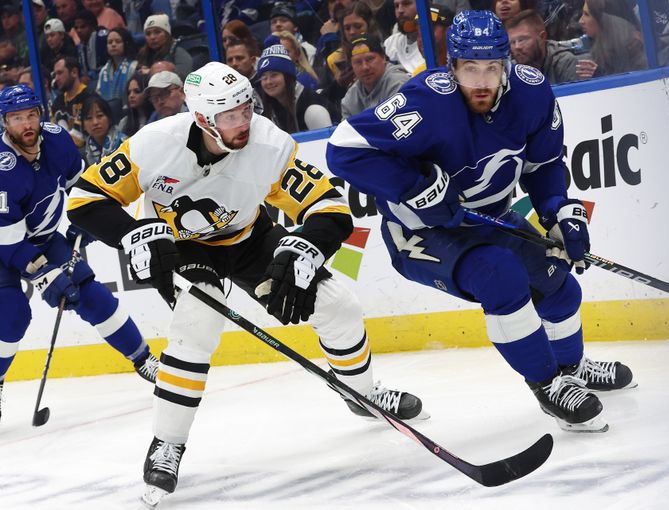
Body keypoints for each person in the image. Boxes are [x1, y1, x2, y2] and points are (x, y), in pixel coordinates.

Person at [66, 62, 425, 507]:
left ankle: (363, 393)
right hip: (181, 246)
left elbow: (328, 207)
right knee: (196, 323)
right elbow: (84, 199)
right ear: (202, 119)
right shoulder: (153, 145)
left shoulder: (269, 143)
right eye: (231, 116)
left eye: (246, 109)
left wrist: (304, 248)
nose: (244, 122)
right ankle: (168, 442)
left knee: (338, 303)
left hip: (249, 236)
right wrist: (132, 235)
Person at [327, 11, 636, 434]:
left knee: (559, 283)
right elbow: (343, 147)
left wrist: (558, 211)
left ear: (506, 64)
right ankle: (549, 386)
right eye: (470, 68)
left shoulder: (531, 93)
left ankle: (573, 367)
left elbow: (545, 164)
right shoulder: (427, 101)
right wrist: (415, 186)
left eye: (492, 67)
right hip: (420, 231)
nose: (482, 81)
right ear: (452, 66)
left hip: (488, 218)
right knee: (500, 274)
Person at [0, 85, 158, 422]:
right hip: (4, 248)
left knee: (92, 296)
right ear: (5, 123)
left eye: (31, 115)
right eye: (17, 118)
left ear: (40, 115)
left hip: (43, 238)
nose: (26, 124)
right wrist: (46, 275)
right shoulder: (2, 169)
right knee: (12, 317)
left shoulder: (57, 141)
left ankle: (144, 359)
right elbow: (11, 245)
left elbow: (83, 186)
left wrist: (86, 216)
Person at [256, 39, 337, 132]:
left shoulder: (313, 110)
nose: (268, 81)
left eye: (274, 75)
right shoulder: (274, 107)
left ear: (288, 77)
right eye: (264, 77)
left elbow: (325, 144)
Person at [341, 33, 409, 118]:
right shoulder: (350, 97)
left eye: (370, 59)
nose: (365, 67)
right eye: (358, 62)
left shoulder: (398, 83)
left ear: (383, 58)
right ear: (351, 66)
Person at [506, 9, 580, 84]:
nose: (517, 47)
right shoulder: (510, 70)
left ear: (542, 37)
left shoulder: (565, 63)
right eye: (512, 42)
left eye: (522, 40)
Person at [576, 0, 646, 78]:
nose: (580, 21)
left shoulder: (637, 54)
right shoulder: (600, 50)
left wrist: (600, 78)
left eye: (586, 14)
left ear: (605, 20)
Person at [50, 56, 96, 148]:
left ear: (74, 72)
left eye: (60, 73)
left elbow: (79, 139)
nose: (56, 78)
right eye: (55, 75)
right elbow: (52, 134)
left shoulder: (89, 97)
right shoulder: (57, 102)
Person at [136, 14, 193, 79]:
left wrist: (151, 72)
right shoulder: (143, 54)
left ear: (167, 34)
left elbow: (185, 76)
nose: (152, 37)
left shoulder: (178, 52)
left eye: (157, 32)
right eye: (148, 34)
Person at [95, 27, 138, 104]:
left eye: (118, 41)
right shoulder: (103, 71)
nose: (113, 45)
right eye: (110, 42)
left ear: (126, 44)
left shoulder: (133, 66)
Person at [81, 94, 127, 164]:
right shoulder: (82, 156)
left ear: (109, 118)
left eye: (100, 115)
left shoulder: (125, 144)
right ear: (83, 125)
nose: (95, 122)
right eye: (89, 118)